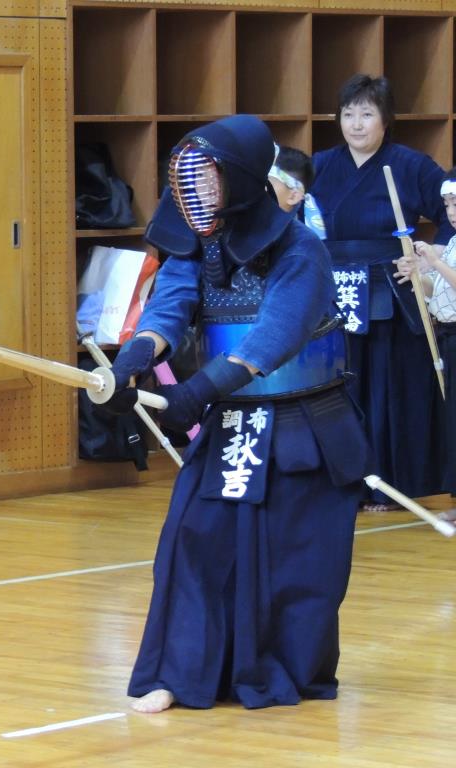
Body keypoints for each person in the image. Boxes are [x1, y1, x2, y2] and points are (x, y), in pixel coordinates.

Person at [109, 115, 370, 713]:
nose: (199, 192)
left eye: (211, 178)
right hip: (234, 422)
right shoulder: (196, 243)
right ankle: (182, 672)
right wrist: (133, 359)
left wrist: (198, 391)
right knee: (192, 540)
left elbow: (271, 337)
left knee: (293, 562)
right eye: (191, 180)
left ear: (244, 178)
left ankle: (275, 670)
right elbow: (170, 309)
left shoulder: (300, 249)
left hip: (305, 428)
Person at [309, 74, 452, 511]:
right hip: (335, 289)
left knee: (391, 389)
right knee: (340, 388)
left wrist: (429, 258)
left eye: (367, 114)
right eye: (348, 114)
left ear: (386, 120)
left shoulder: (410, 165)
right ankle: (343, 484)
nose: (356, 124)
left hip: (392, 288)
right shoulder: (319, 166)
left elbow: (450, 216)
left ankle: (392, 484)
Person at [395, 167, 456, 521]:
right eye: (447, 204)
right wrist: (419, 274)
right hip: (448, 333)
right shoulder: (453, 243)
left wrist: (433, 261)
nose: (451, 211)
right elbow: (440, 290)